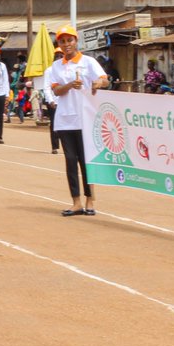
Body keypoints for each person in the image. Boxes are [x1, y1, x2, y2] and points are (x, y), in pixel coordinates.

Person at [48, 25, 109, 216]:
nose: (66, 44)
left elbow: (104, 79)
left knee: (86, 161)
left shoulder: (88, 62)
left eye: (69, 40)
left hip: (86, 119)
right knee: (70, 160)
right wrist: (69, 85)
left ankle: (90, 199)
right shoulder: (56, 67)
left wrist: (98, 83)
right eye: (62, 41)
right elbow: (56, 90)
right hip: (65, 119)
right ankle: (75, 202)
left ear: (76, 41)